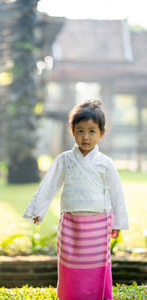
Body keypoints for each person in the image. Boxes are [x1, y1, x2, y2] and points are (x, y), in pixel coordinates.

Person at [23, 99, 129, 300]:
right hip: (71, 222)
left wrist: (118, 222)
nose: (86, 137)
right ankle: (71, 295)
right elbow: (49, 185)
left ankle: (96, 294)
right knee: (71, 262)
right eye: (80, 131)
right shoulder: (64, 160)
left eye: (91, 131)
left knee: (95, 262)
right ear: (72, 131)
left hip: (98, 223)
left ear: (102, 133)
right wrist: (38, 210)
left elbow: (117, 193)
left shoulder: (105, 163)